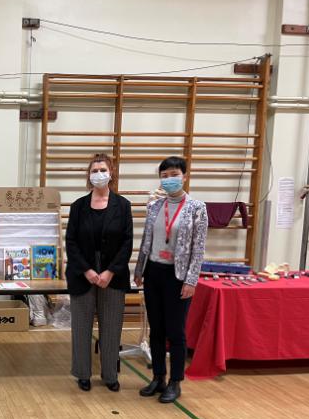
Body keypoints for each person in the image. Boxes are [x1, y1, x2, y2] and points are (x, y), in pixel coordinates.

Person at [134, 156, 208, 403]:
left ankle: (175, 382)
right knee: (156, 330)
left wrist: (192, 280)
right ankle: (158, 377)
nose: (169, 180)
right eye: (164, 176)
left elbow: (198, 248)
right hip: (154, 271)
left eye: (173, 174)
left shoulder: (196, 207)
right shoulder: (155, 206)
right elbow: (146, 240)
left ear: (184, 176)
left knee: (175, 331)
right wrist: (138, 269)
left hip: (178, 276)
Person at [65, 154, 133, 392]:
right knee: (81, 327)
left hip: (113, 276)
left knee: (112, 327)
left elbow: (127, 243)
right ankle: (83, 373)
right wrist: (87, 270)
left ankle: (110, 375)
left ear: (111, 173)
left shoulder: (122, 206)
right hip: (82, 273)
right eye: (94, 170)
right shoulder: (78, 206)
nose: (98, 174)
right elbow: (70, 242)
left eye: (102, 169)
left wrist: (110, 272)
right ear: (88, 175)